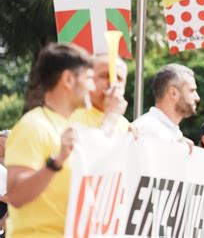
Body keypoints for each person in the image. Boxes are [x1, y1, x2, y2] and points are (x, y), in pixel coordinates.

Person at [4, 43, 94, 237]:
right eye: (88, 79)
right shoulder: (33, 126)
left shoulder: (75, 127)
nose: (92, 87)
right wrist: (57, 162)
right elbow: (16, 194)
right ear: (68, 79)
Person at [132, 64, 199, 149]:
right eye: (192, 90)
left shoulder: (169, 132)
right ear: (173, 93)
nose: (197, 98)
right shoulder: (146, 129)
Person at [70, 54, 129, 133]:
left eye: (119, 78)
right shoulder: (72, 116)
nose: (112, 82)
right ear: (89, 79)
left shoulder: (125, 124)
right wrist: (111, 116)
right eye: (105, 76)